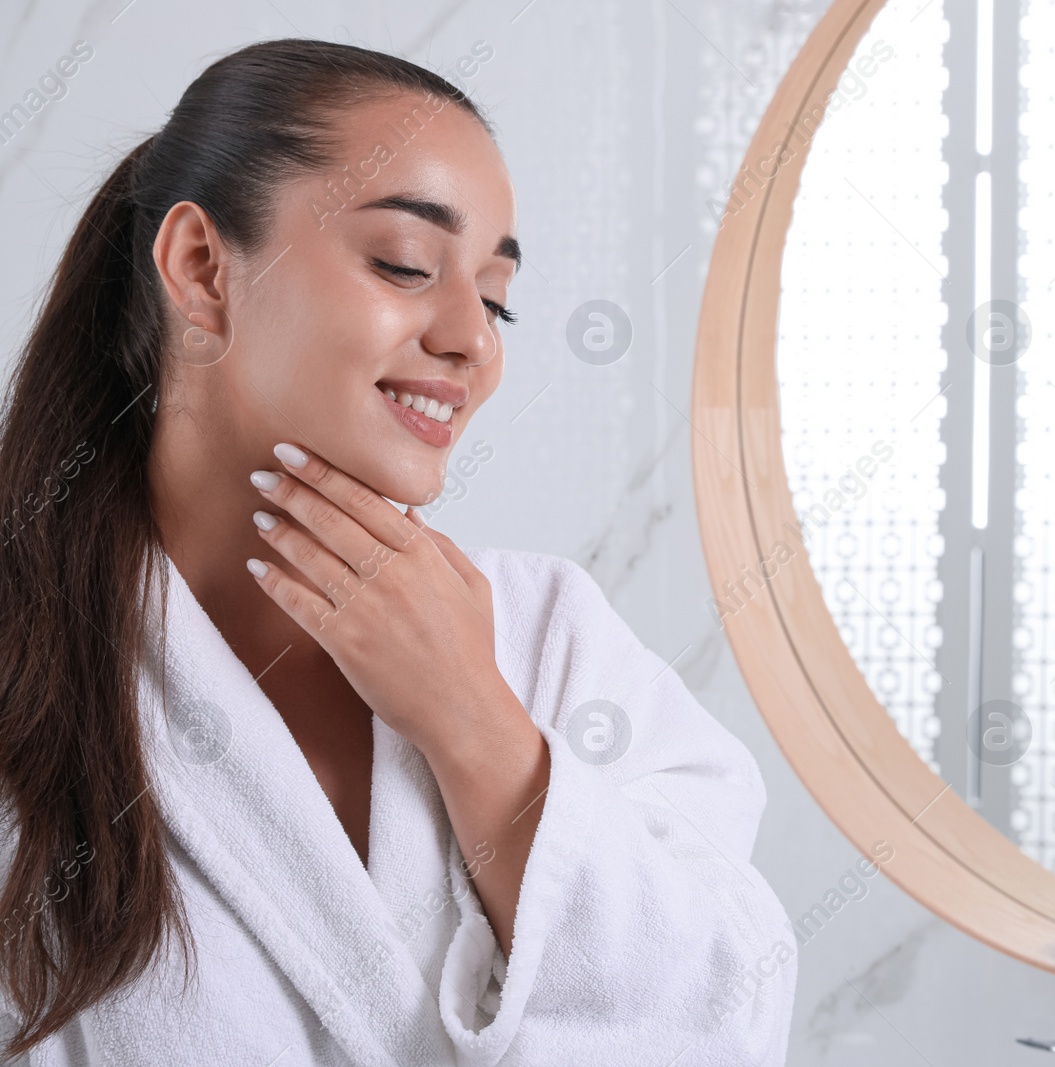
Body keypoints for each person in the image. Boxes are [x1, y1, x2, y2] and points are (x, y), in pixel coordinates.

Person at [0, 39, 795, 1065]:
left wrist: (475, 724)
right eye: (404, 265)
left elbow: (726, 1016)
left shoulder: (553, 641)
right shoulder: (29, 665)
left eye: (496, 295)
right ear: (201, 268)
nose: (476, 339)